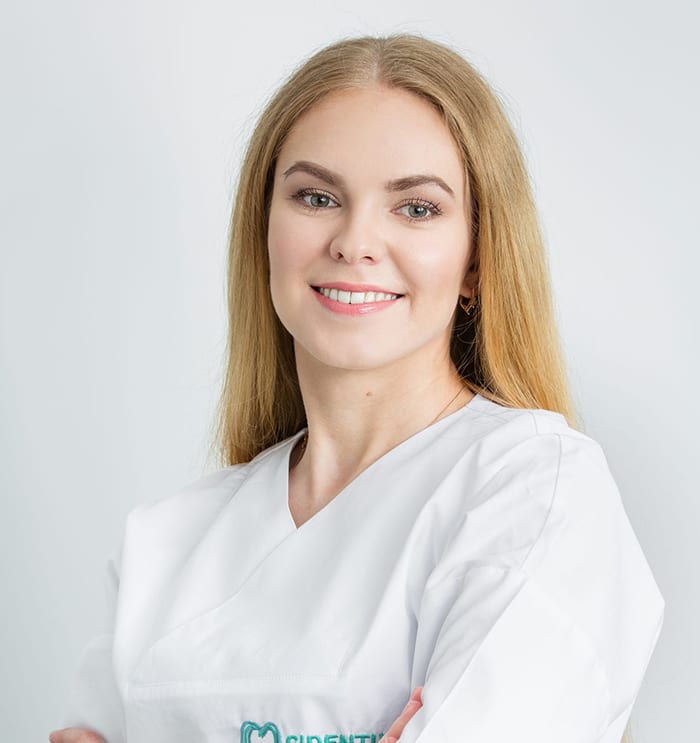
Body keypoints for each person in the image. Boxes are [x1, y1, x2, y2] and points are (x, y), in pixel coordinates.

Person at [50, 33, 665, 743]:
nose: (355, 241)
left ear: (476, 262)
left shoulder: (538, 490)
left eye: (417, 208)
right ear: (264, 232)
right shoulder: (165, 542)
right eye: (317, 197)